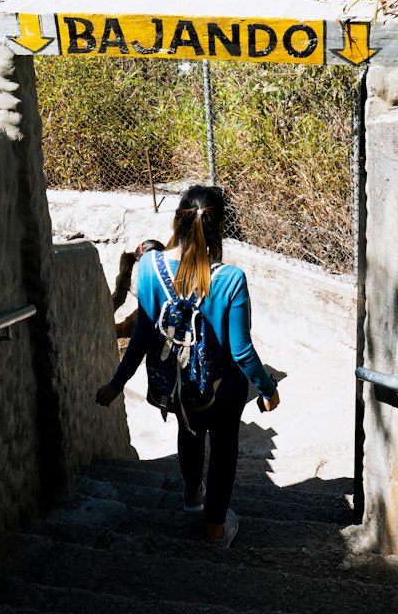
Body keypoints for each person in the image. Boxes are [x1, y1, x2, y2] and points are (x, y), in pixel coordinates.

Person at [96, 184, 279, 548]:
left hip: (177, 385)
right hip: (221, 390)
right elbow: (241, 351)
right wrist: (269, 388)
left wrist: (118, 383)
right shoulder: (230, 279)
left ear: (177, 220)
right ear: (219, 229)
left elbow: (143, 335)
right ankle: (214, 530)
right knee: (224, 447)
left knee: (189, 430)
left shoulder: (149, 266)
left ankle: (193, 496)